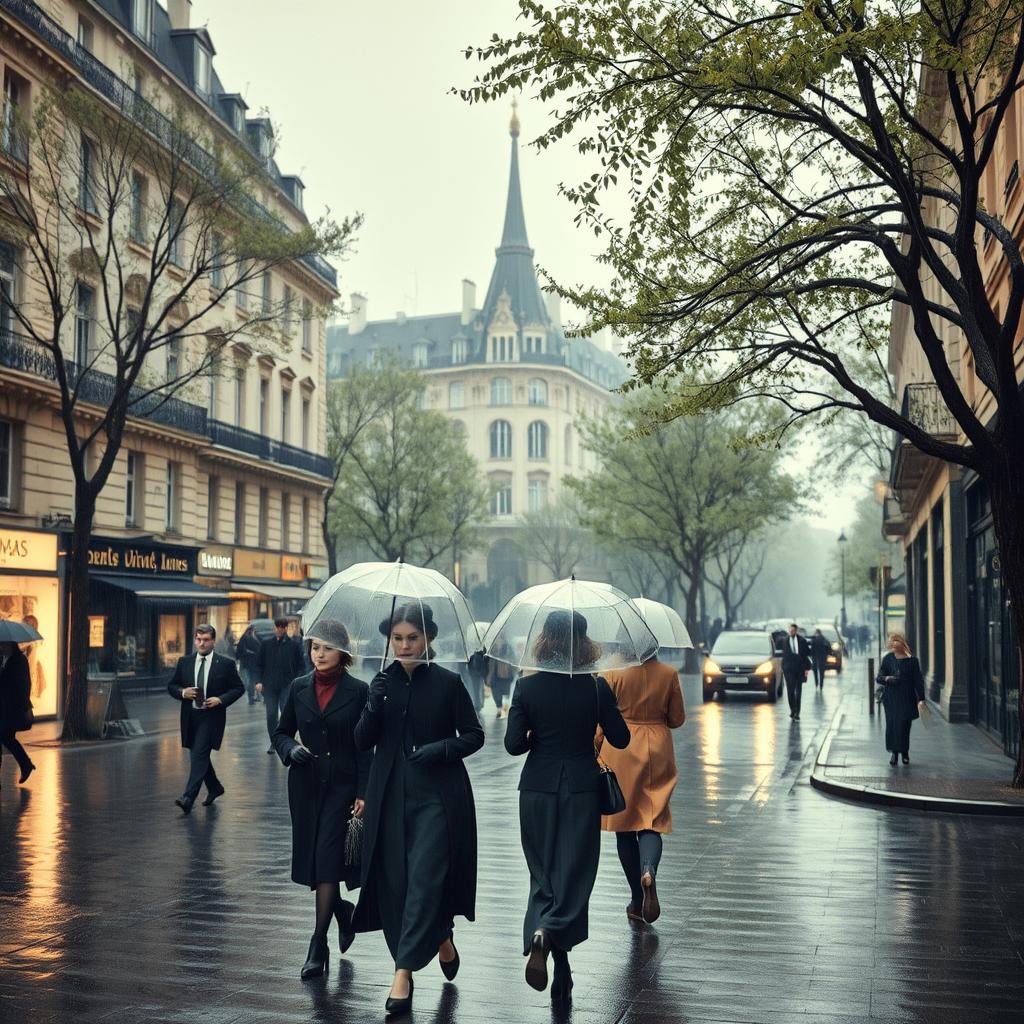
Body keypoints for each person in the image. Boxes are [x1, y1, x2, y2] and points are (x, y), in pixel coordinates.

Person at [353, 602, 484, 1015]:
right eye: (398, 638)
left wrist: (441, 749)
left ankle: (402, 973)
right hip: (388, 796)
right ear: (389, 640)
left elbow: (475, 735)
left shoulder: (448, 683)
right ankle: (441, 936)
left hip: (439, 799)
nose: (405, 645)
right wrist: (373, 705)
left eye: (413, 637)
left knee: (425, 880)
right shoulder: (380, 684)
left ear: (428, 638)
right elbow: (361, 742)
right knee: (397, 884)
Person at [505, 610, 630, 1006]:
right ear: (585, 642)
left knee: (543, 874)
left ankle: (545, 939)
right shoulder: (596, 688)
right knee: (573, 875)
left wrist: (534, 736)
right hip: (580, 789)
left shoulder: (526, 687)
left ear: (545, 639)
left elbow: (512, 745)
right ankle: (553, 940)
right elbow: (622, 739)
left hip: (537, 789)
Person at [272, 619, 372, 979]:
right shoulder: (299, 688)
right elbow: (281, 732)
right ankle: (343, 912)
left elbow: (365, 747)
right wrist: (290, 750)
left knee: (328, 860)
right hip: (306, 786)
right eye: (315, 647)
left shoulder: (359, 691)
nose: (320, 653)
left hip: (343, 788)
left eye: (327, 647)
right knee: (316, 862)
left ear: (342, 652)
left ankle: (318, 943)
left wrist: (363, 790)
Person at [600, 653, 684, 925]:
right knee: (652, 819)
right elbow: (677, 718)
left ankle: (637, 900)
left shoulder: (612, 673)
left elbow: (601, 717)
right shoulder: (669, 673)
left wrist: (595, 748)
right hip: (658, 748)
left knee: (625, 827)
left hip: (621, 748)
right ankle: (648, 870)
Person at [167, 624, 246, 813]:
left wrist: (221, 699)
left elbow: (238, 688)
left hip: (211, 718)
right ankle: (215, 787)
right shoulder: (184, 662)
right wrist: (182, 692)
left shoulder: (225, 664)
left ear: (213, 641)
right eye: (198, 639)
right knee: (198, 755)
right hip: (190, 716)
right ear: (195, 640)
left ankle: (188, 798)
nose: (201, 644)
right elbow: (172, 685)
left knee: (199, 754)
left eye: (206, 640)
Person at [876, 632, 926, 766]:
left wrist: (921, 698)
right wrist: (887, 678)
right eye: (891, 641)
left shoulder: (912, 660)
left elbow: (918, 680)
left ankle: (905, 752)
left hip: (907, 698)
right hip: (891, 698)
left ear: (902, 643)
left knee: (904, 726)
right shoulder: (888, 659)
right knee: (892, 725)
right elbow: (879, 677)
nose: (893, 643)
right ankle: (894, 753)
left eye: (896, 641)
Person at [257, 617, 304, 753]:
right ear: (274, 628)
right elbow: (259, 664)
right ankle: (273, 742)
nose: (280, 629)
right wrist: (258, 681)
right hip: (270, 686)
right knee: (271, 715)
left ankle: (285, 741)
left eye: (282, 627)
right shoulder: (266, 644)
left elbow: (300, 665)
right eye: (278, 627)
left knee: (285, 715)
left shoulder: (294, 645)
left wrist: (296, 681)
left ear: (286, 628)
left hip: (287, 685)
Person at [0, 641, 35, 787]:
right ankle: (26, 764)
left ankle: (26, 764)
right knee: (7, 739)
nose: (2, 647)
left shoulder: (19, 661)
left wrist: (22, 706)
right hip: (3, 707)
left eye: (4, 645)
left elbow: (24, 685)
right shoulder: (2, 658)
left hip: (11, 709)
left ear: (12, 645)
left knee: (5, 737)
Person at [776, 623, 811, 720]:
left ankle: (797, 713)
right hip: (788, 669)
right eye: (790, 630)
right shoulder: (784, 640)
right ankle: (792, 709)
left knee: (798, 691)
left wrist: (806, 669)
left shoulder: (802, 641)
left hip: (800, 669)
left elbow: (807, 654)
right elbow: (776, 647)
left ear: (796, 631)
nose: (791, 632)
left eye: (793, 630)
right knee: (790, 691)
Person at [486, 640, 515, 718]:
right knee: (496, 694)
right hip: (494, 674)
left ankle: (504, 710)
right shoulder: (492, 647)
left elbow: (513, 659)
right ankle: (499, 709)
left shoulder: (508, 647)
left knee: (505, 694)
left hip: (505, 675)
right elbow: (488, 660)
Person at [236, 625, 262, 706]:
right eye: (253, 630)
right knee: (251, 680)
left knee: (253, 680)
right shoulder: (246, 637)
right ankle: (252, 698)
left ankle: (255, 697)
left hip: (253, 663)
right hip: (249, 663)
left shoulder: (253, 637)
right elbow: (242, 649)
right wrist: (252, 653)